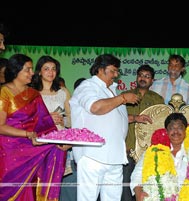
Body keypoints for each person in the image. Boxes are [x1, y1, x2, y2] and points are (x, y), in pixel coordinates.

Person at [70, 53, 151, 201]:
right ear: (100, 70)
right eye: (113, 70)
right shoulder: (87, 86)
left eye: (117, 71)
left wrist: (134, 118)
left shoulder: (112, 90)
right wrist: (123, 98)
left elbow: (113, 118)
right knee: (88, 198)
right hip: (93, 155)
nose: (116, 74)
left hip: (114, 156)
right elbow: (95, 107)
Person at [0, 53, 66, 200]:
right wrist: (27, 134)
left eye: (31, 69)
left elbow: (44, 124)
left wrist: (59, 140)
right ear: (16, 70)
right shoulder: (4, 92)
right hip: (10, 151)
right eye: (28, 69)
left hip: (32, 149)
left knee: (30, 187)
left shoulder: (34, 94)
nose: (32, 73)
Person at [130, 112, 189, 201]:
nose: (175, 131)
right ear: (166, 131)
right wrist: (138, 192)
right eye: (171, 128)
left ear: (185, 130)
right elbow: (137, 175)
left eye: (180, 128)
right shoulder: (152, 152)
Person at [30, 55, 73, 200]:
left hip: (58, 143)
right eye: (46, 69)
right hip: (36, 143)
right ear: (39, 72)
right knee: (34, 182)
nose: (51, 72)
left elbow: (72, 119)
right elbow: (25, 120)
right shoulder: (31, 92)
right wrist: (46, 119)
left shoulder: (63, 92)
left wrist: (63, 120)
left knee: (53, 183)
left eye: (54, 69)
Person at [121, 64, 164, 201]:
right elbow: (117, 119)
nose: (143, 78)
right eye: (141, 75)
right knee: (125, 185)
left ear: (152, 80)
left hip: (148, 150)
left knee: (146, 184)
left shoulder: (158, 100)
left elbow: (161, 125)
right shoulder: (125, 96)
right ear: (136, 77)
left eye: (147, 76)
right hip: (128, 147)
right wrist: (134, 118)